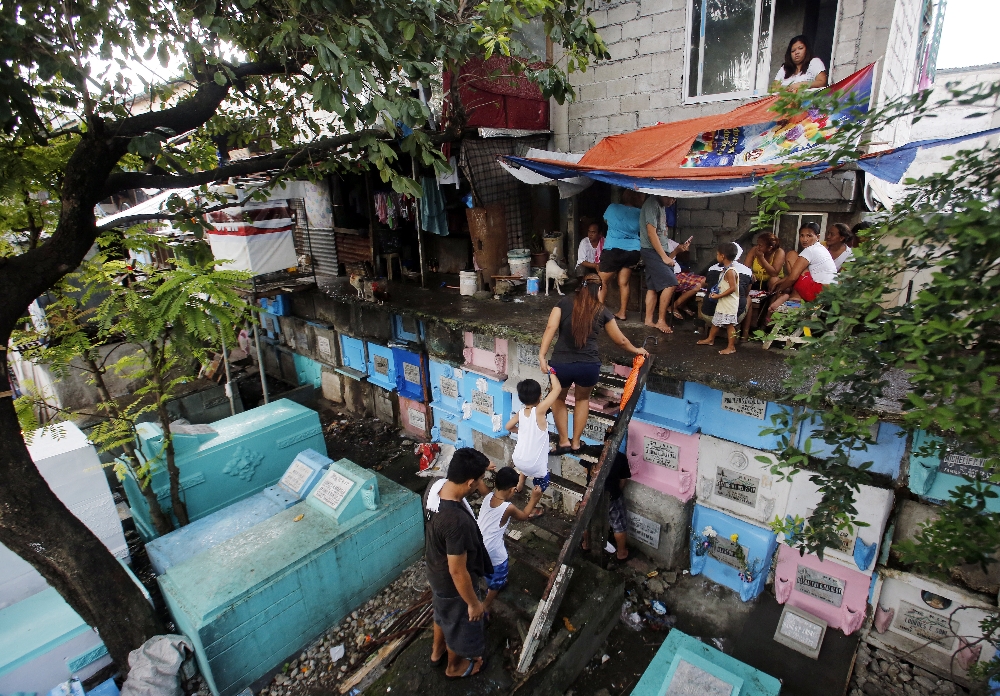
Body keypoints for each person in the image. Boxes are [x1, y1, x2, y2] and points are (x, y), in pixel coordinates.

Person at [538, 274, 649, 454]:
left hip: (562, 364)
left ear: (580, 286)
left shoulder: (563, 303)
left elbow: (550, 328)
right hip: (588, 366)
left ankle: (564, 441)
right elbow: (620, 340)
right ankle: (576, 443)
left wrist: (542, 356)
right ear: (599, 289)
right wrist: (636, 349)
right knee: (582, 399)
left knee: (558, 398)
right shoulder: (602, 310)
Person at [424, 448, 491, 679]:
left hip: (434, 569)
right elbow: (457, 570)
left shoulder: (435, 487)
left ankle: (437, 652)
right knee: (460, 624)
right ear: (470, 482)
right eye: (479, 480)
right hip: (452, 583)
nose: (479, 485)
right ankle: (454, 667)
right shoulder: (455, 522)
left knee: (443, 613)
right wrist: (473, 603)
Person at [477, 467, 544, 614]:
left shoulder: (487, 495)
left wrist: (485, 467)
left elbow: (479, 480)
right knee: (498, 577)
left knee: (487, 567)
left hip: (477, 545)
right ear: (513, 490)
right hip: (494, 552)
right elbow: (524, 516)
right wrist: (534, 498)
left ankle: (490, 579)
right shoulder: (508, 508)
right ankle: (486, 604)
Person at [506, 372, 563, 513]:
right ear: (540, 396)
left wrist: (521, 431)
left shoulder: (520, 412)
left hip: (518, 460)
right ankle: (532, 506)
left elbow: (508, 427)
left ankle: (520, 483)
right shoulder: (539, 411)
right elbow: (557, 389)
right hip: (534, 465)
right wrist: (552, 372)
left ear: (520, 398)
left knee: (526, 462)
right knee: (542, 482)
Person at [639, 194, 691, 334]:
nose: (672, 201)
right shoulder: (652, 204)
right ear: (661, 193)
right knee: (671, 283)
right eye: (671, 198)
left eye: (675, 199)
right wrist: (664, 257)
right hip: (652, 250)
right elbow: (651, 233)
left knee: (652, 286)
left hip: (657, 250)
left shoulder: (661, 206)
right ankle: (661, 320)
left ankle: (648, 319)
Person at [767, 223, 839, 317]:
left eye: (809, 235)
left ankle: (791, 296)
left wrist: (780, 290)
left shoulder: (809, 250)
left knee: (792, 254)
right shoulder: (821, 248)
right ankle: (793, 295)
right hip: (829, 292)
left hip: (818, 292)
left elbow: (793, 277)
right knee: (800, 269)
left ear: (817, 237)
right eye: (802, 235)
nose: (804, 239)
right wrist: (780, 282)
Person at [581, 437, 633, 561]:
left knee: (586, 521)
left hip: (591, 494)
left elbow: (586, 470)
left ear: (604, 439)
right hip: (611, 495)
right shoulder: (620, 457)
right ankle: (621, 553)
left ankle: (586, 544)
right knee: (618, 525)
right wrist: (617, 492)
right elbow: (623, 480)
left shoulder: (591, 450)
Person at [598, 189, 644, 321]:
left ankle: (599, 313)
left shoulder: (612, 207)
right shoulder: (640, 213)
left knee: (602, 282)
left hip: (613, 249)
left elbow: (606, 220)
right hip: (633, 251)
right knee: (624, 283)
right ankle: (622, 313)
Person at [697, 242, 740, 355]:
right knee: (716, 322)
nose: (716, 256)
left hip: (729, 303)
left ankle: (731, 347)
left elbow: (733, 288)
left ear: (722, 256)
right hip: (723, 302)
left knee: (730, 325)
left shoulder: (730, 271)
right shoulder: (726, 269)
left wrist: (718, 296)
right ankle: (710, 339)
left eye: (717, 254)